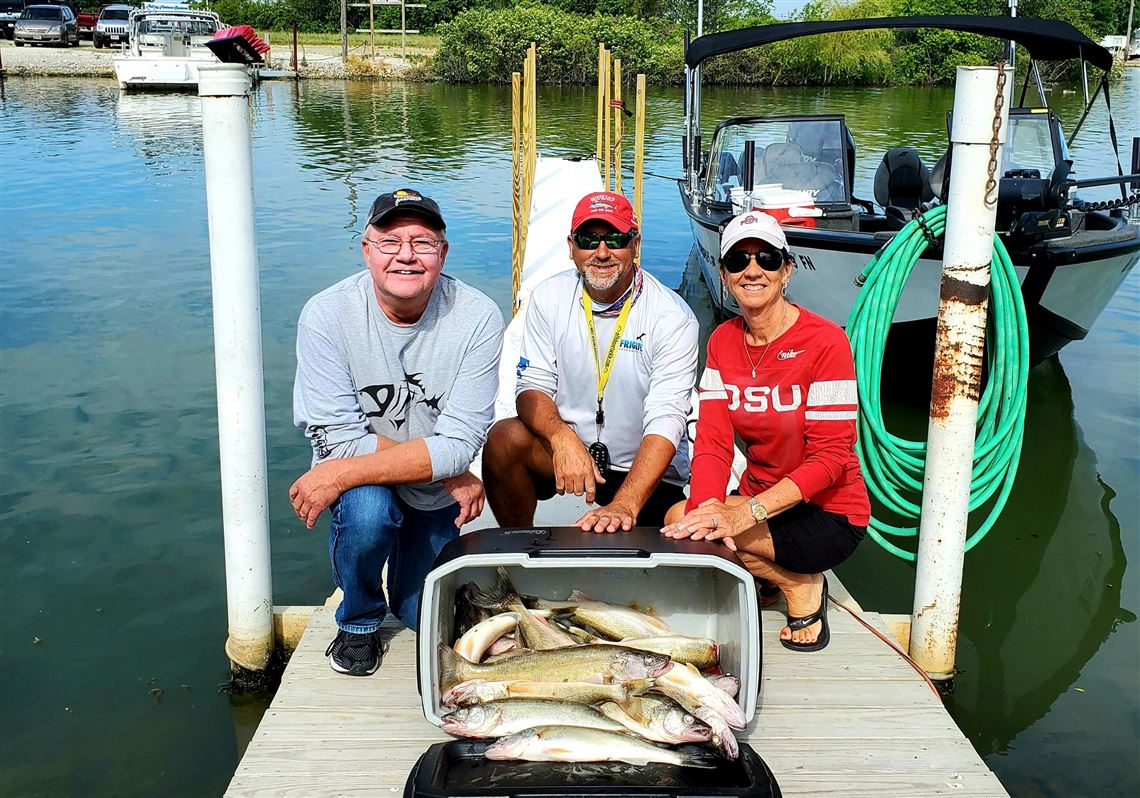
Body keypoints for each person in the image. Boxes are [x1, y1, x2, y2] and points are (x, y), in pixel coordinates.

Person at [290, 188, 503, 676]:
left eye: (422, 242)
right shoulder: (325, 315)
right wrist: (441, 465)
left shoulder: (478, 317)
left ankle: (412, 586)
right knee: (366, 513)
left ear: (443, 253)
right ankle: (359, 619)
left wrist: (447, 462)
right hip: (375, 481)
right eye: (389, 241)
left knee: (417, 613)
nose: (406, 255)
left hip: (428, 489)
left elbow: (459, 443)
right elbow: (341, 442)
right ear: (366, 249)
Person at [661, 211, 869, 652]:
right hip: (761, 502)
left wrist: (743, 514)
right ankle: (764, 575)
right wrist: (706, 513)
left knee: (713, 526)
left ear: (786, 270)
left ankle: (800, 586)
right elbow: (714, 444)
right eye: (737, 260)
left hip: (828, 511)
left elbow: (831, 460)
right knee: (681, 519)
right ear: (724, 274)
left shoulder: (827, 342)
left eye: (766, 258)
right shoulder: (721, 341)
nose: (752, 270)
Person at [483, 191, 698, 532]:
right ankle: (521, 547)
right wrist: (560, 437)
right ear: (571, 246)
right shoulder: (548, 297)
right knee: (504, 440)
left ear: (635, 244)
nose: (601, 252)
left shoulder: (673, 317)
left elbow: (666, 418)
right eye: (588, 239)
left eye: (615, 239)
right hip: (574, 452)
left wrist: (624, 504)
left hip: (644, 469)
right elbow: (531, 387)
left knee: (678, 533)